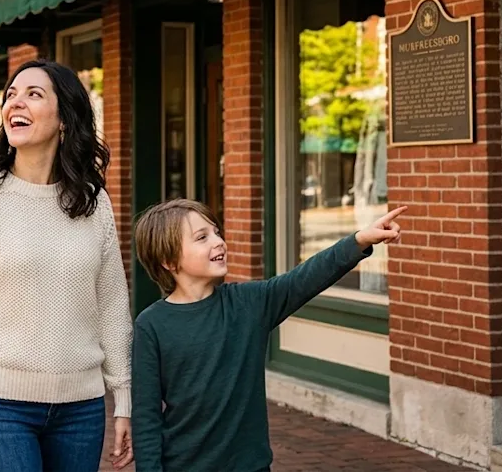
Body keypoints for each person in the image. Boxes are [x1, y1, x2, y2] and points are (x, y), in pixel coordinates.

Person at [0, 60, 134, 472]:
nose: (15, 103)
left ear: (65, 120)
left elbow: (112, 307)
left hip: (81, 409)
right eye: (10, 95)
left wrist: (124, 400)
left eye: (33, 94)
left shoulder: (93, 204)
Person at [130, 199, 406, 471]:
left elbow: (306, 277)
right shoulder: (151, 325)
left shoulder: (250, 304)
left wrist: (359, 240)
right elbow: (146, 417)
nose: (218, 242)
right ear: (168, 260)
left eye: (216, 232)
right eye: (202, 237)